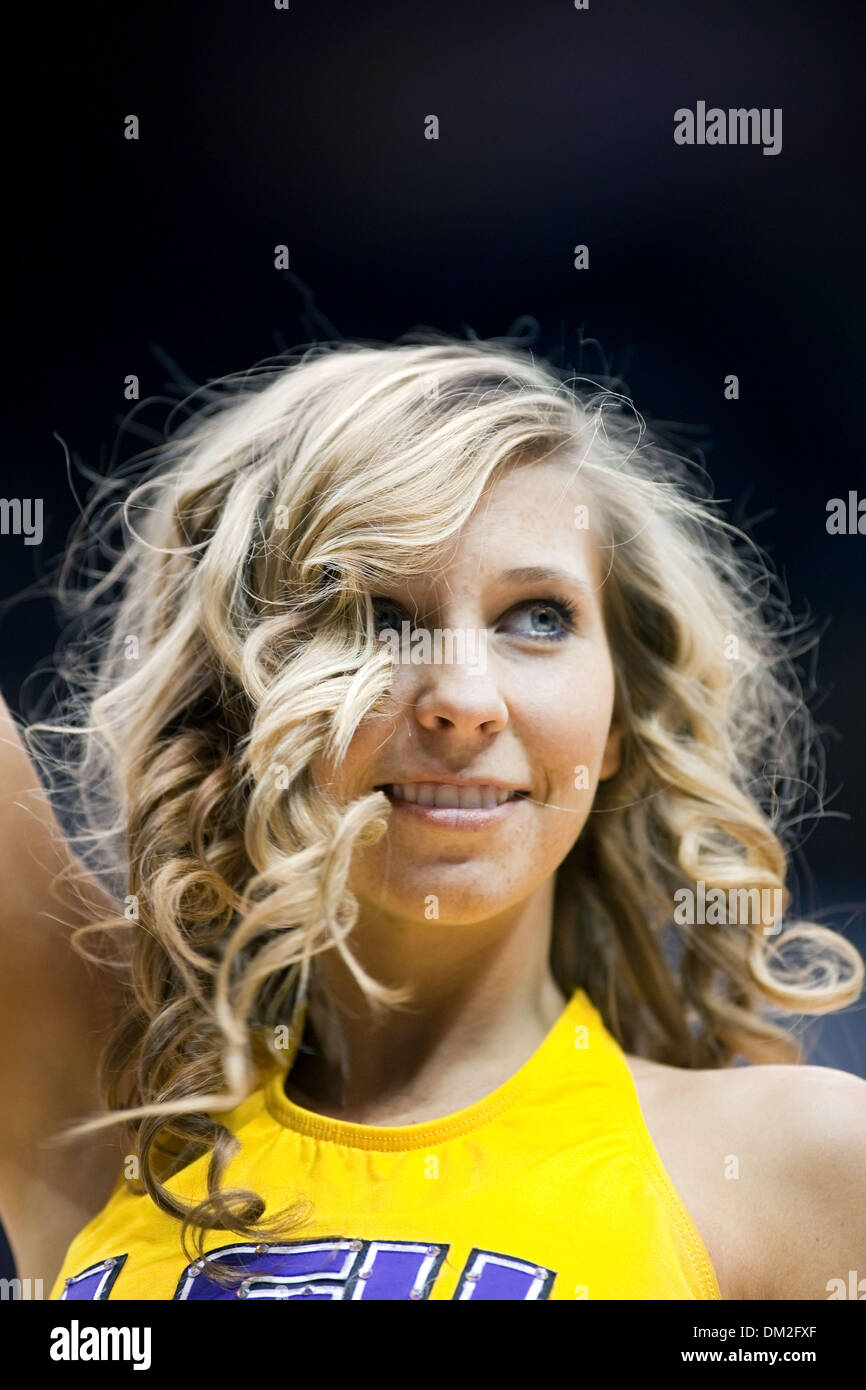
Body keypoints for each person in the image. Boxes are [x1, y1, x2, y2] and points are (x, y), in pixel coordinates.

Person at [1, 335, 863, 1301]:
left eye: (538, 616)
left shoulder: (809, 1166)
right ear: (233, 704)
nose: (463, 696)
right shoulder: (108, 1116)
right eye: (371, 616)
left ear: (619, 720)